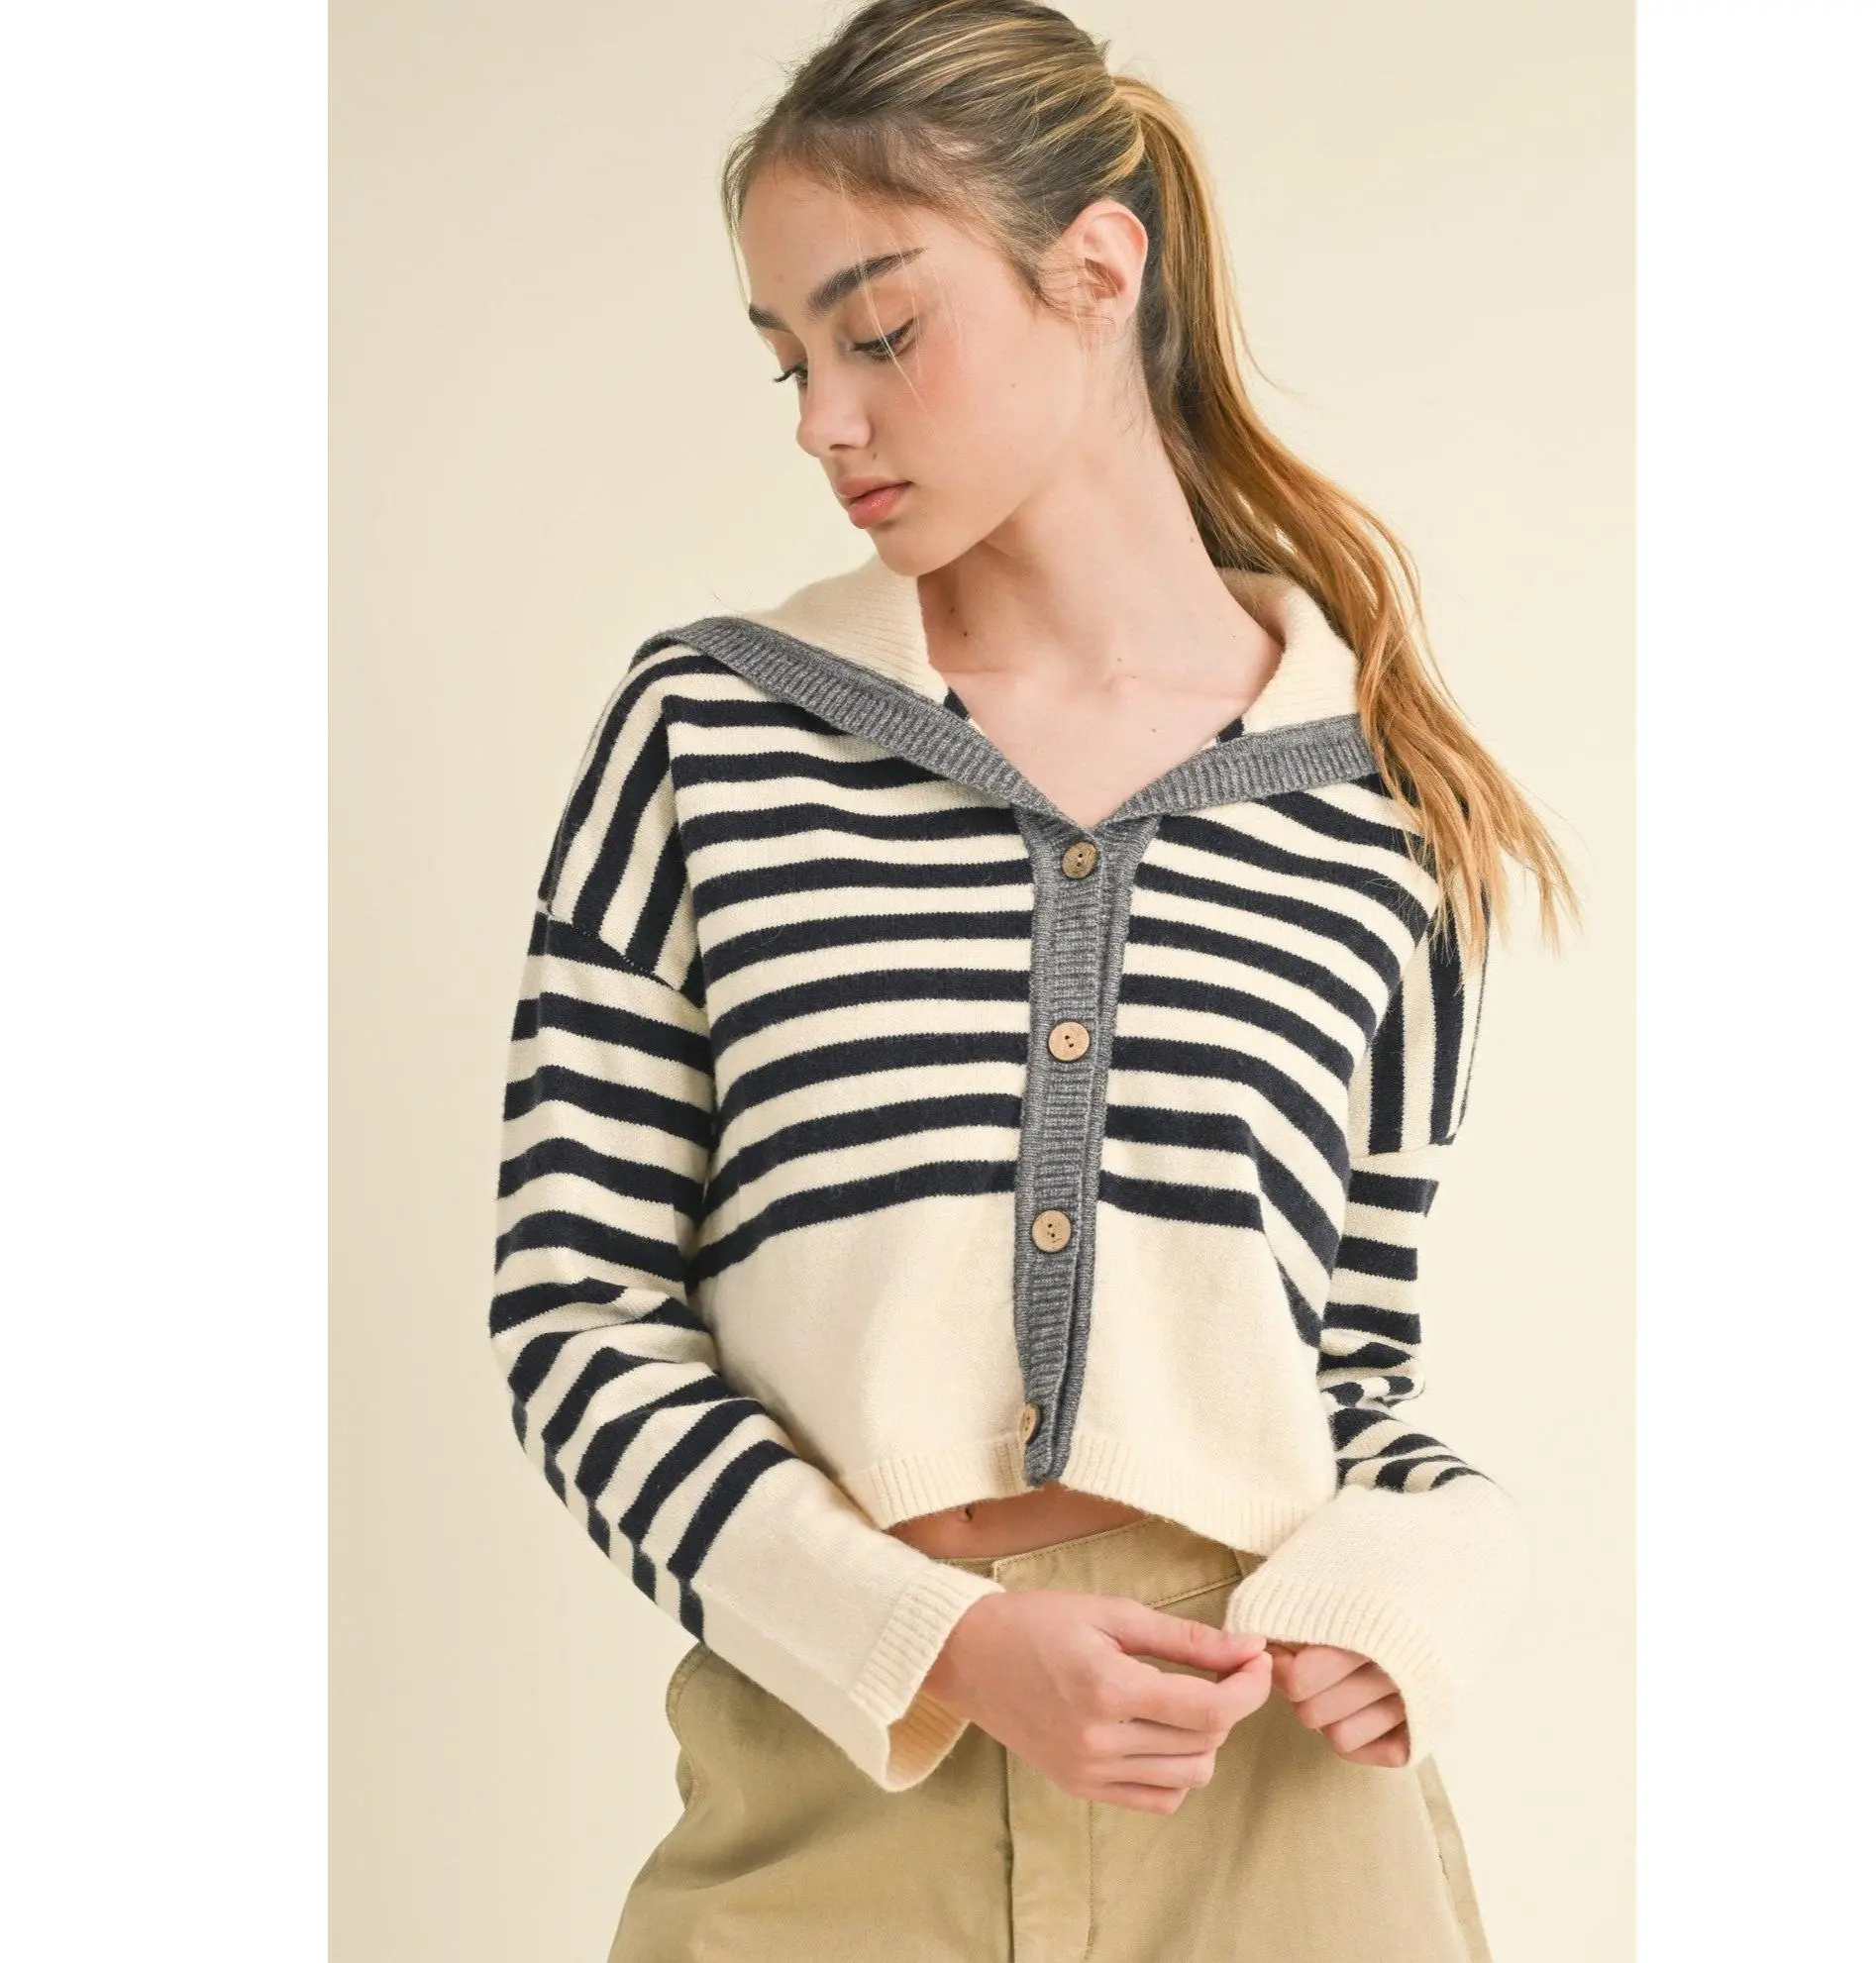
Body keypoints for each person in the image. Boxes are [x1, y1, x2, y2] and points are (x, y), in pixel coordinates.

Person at [488, 2, 1579, 1956]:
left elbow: (1352, 1381)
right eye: (790, 358)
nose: (823, 419)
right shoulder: (708, 731)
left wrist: (1432, 1573)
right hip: (833, 1780)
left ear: (1095, 266)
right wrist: (940, 1639)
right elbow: (576, 1315)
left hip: (1273, 1815)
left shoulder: (1378, 809)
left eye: (880, 332)